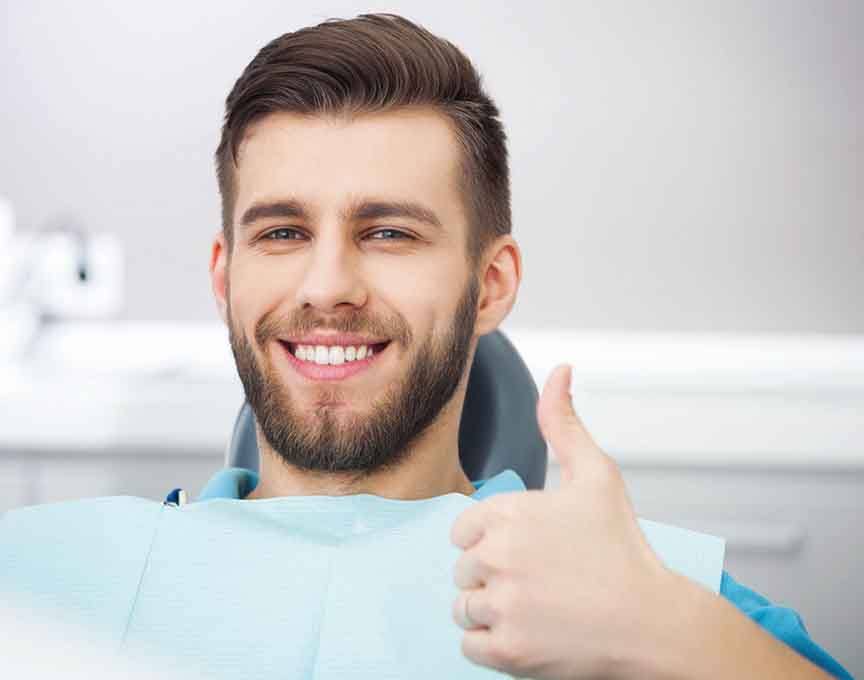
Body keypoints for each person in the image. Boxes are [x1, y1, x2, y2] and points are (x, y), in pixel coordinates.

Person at [1, 13, 853, 680]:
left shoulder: (658, 598)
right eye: (284, 231)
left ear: (492, 285)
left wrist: (667, 630)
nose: (327, 285)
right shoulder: (37, 574)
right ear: (225, 278)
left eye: (390, 232)